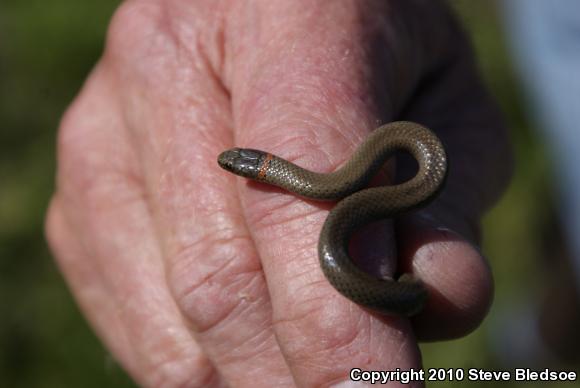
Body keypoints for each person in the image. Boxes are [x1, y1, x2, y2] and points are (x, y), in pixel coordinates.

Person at [45, 1, 511, 387]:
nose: (233, 167)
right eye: (235, 165)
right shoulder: (316, 190)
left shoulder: (336, 193)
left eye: (236, 164)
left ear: (261, 167)